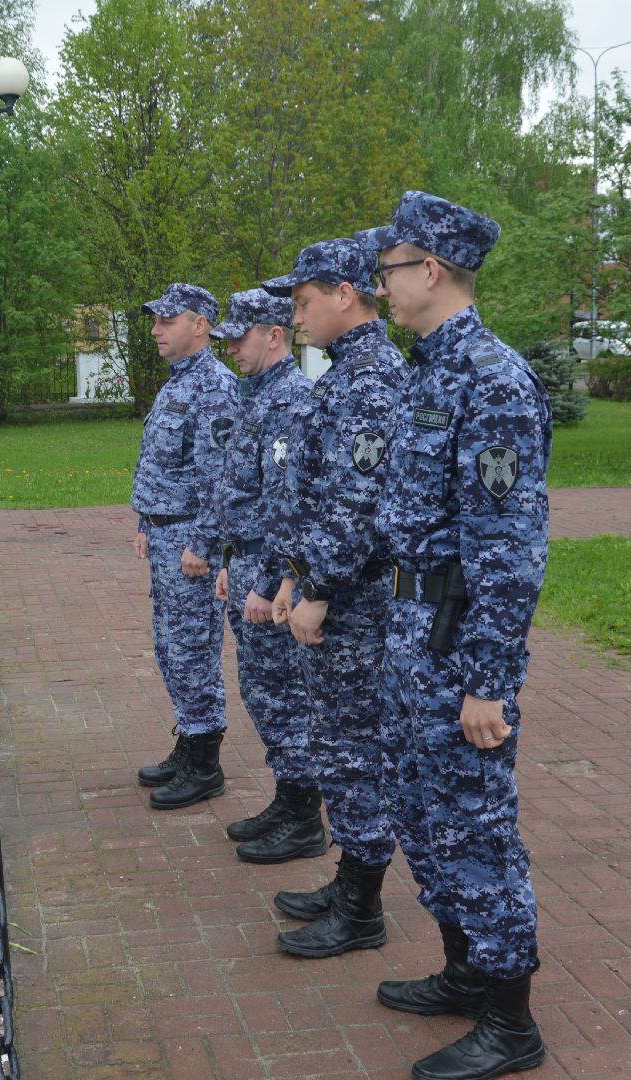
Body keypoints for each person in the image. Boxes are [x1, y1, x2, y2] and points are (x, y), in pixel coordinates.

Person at [367, 191, 552, 1080]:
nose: (383, 285)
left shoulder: (492, 379)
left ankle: (512, 1021)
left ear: (429, 270)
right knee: (424, 811)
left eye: (390, 270)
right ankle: (465, 969)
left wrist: (488, 681)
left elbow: (509, 550)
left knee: (475, 824)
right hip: (413, 632)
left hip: (456, 643)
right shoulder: (428, 371)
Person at [261, 238, 409, 957]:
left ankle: (362, 910)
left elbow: (359, 505)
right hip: (328, 588)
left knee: (354, 750)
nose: (295, 316)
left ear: (345, 294)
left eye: (303, 301)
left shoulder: (373, 377)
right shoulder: (345, 372)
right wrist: (294, 575)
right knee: (337, 745)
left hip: (355, 601)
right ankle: (352, 881)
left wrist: (315, 587)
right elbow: (314, 495)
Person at [190, 288, 323, 863]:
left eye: (240, 338)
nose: (231, 350)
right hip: (245, 560)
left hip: (269, 573)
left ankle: (303, 816)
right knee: (264, 694)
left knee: (284, 696)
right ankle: (288, 798)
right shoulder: (256, 395)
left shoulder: (292, 400)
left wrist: (268, 581)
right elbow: (239, 489)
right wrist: (227, 561)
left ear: (274, 335)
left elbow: (289, 505)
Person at [131, 283, 241, 809]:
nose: (155, 330)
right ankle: (189, 741)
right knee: (170, 646)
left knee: (193, 649)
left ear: (199, 324)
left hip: (189, 543)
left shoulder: (214, 387)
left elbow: (220, 477)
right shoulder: (179, 383)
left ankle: (205, 765)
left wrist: (203, 543)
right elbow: (162, 460)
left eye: (166, 320)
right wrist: (145, 522)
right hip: (165, 532)